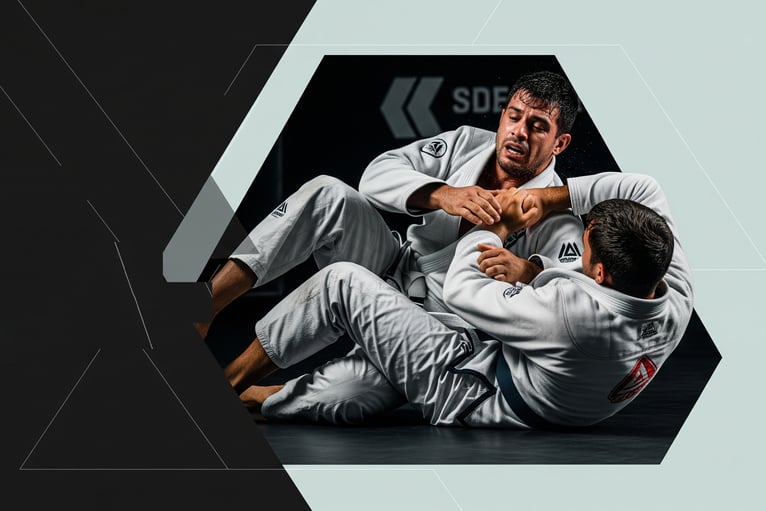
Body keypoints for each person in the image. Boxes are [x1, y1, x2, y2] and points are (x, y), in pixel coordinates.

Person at [198, 71, 586, 423]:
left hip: (437, 331)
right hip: (395, 266)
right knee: (327, 194)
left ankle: (255, 396)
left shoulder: (558, 219)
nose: (519, 132)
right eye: (514, 117)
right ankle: (205, 306)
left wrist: (528, 271)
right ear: (502, 117)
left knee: (346, 397)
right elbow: (376, 175)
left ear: (560, 143)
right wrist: (442, 194)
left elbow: (573, 301)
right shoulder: (466, 143)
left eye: (537, 126)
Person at [238, 171, 693, 428]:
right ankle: (268, 392)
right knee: (354, 390)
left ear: (600, 274)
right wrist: (545, 200)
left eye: (587, 246)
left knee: (343, 283)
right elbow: (645, 189)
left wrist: (500, 225)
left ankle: (229, 384)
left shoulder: (572, 318)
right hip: (519, 362)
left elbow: (460, 288)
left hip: (469, 388)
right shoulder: (672, 287)